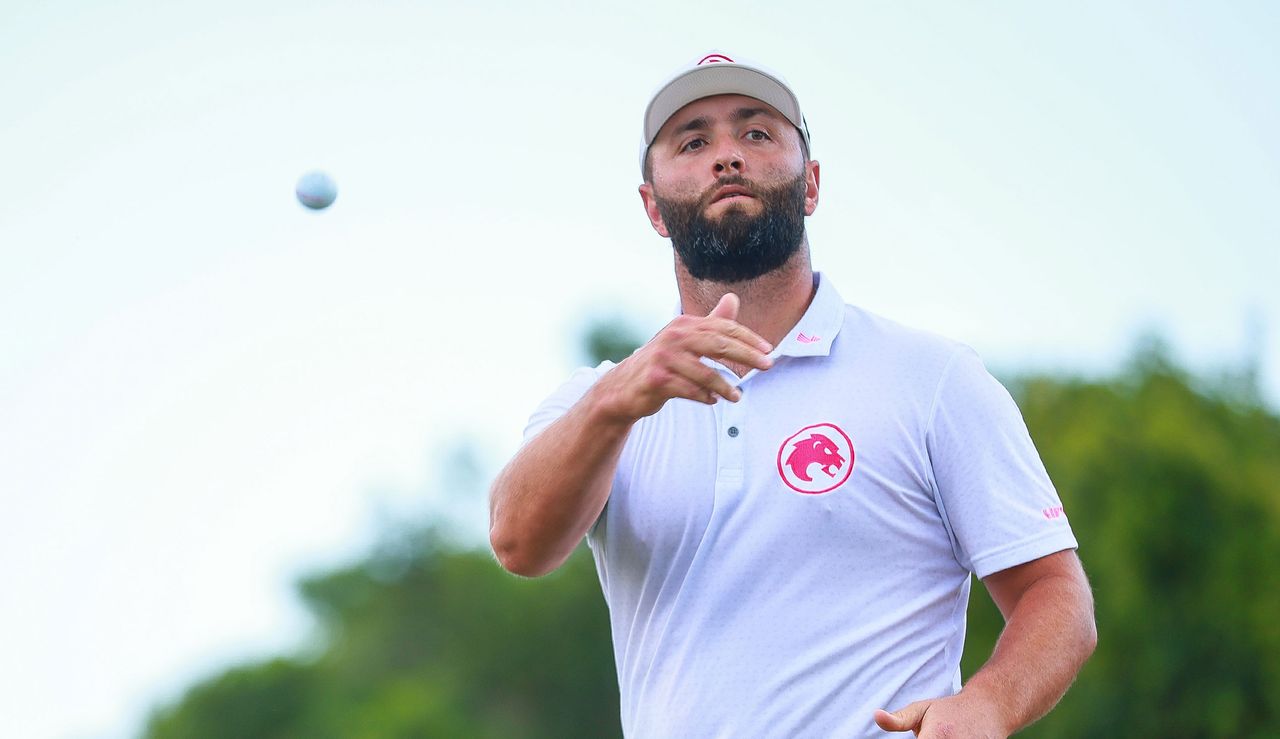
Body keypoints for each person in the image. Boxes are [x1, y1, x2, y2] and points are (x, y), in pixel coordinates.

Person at [489, 52, 1096, 738]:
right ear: (652, 207)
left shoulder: (932, 378)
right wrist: (617, 400)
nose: (726, 156)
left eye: (756, 134)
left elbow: (1056, 593)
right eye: (693, 141)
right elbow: (518, 542)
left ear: (810, 185)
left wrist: (989, 701)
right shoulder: (599, 404)